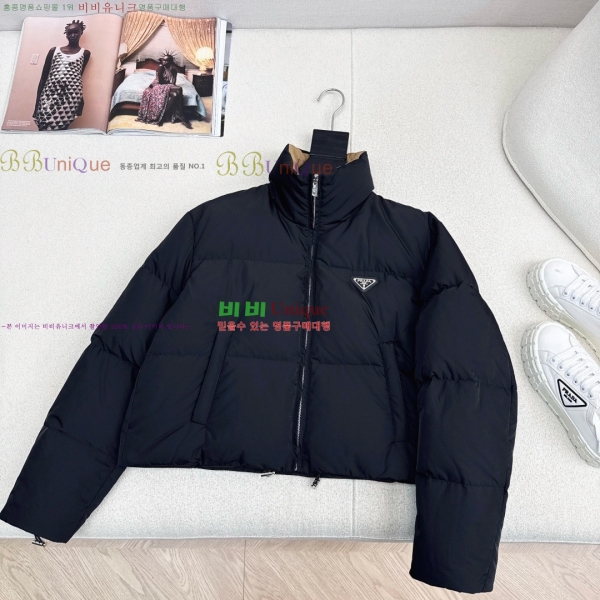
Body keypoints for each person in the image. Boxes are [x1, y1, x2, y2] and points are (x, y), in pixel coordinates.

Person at [33, 20, 91, 131]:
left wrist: (81, 100)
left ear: (81, 32)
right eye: (69, 33)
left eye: (76, 32)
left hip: (71, 97)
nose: (72, 35)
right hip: (49, 95)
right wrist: (36, 105)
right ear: (66, 34)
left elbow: (79, 77)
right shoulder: (54, 51)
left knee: (62, 128)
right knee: (44, 124)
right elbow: (43, 78)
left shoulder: (85, 53)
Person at [136, 51, 192, 129]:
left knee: (175, 95)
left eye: (166, 60)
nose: (164, 61)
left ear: (171, 62)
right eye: (163, 60)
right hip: (157, 85)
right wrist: (170, 85)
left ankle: (166, 116)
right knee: (179, 89)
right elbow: (160, 81)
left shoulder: (174, 70)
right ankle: (182, 117)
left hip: (166, 86)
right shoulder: (160, 67)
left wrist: (173, 75)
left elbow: (173, 83)